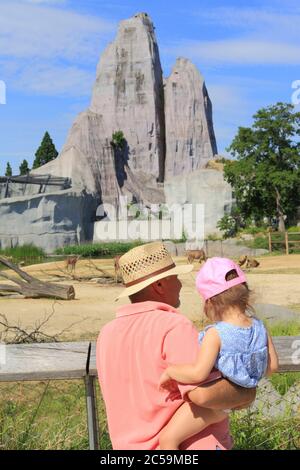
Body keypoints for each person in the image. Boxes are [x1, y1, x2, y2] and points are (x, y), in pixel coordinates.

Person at [96, 242, 256, 450]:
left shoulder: (107, 334)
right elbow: (202, 395)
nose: (180, 285)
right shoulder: (173, 326)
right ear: (159, 285)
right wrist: (247, 391)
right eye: (176, 277)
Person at [158, 257, 279, 450]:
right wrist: (245, 376)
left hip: (215, 403)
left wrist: (171, 372)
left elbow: (199, 373)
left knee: (168, 441)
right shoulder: (259, 326)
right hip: (238, 399)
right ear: (245, 294)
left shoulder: (216, 334)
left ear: (210, 302)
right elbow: (272, 367)